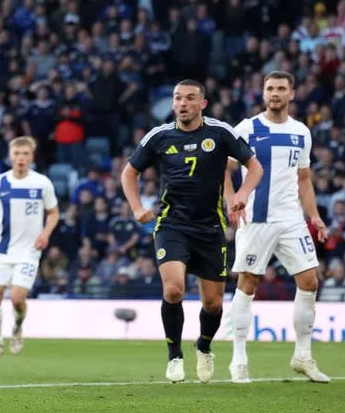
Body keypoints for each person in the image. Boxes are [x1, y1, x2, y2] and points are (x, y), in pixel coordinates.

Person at [121, 79, 263, 383]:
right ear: (172, 103)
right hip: (172, 224)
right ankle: (174, 355)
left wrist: (241, 194)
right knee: (173, 289)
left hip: (210, 228)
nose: (182, 103)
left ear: (202, 103)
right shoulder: (159, 136)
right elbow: (129, 173)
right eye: (177, 98)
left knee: (213, 303)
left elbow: (255, 166)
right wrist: (136, 208)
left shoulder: (220, 132)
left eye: (189, 98)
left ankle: (204, 346)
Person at [226, 71, 330, 383]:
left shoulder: (301, 132)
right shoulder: (247, 128)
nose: (275, 93)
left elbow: (304, 179)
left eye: (281, 88)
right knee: (248, 284)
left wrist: (314, 216)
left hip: (291, 219)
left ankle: (302, 356)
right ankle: (239, 359)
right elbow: (225, 168)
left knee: (310, 281)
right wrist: (230, 200)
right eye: (270, 88)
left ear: (292, 93)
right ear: (263, 93)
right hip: (256, 219)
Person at [0, 136, 59, 356]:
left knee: (17, 299)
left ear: (32, 157)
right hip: (1, 249)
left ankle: (17, 328)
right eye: (17, 154)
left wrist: (45, 234)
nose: (21, 158)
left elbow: (54, 213)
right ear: (10, 156)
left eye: (25, 154)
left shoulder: (42, 183)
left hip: (29, 251)